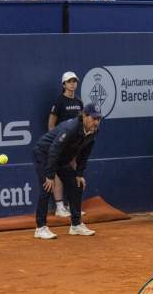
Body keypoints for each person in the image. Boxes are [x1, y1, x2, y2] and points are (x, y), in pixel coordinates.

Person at [32, 104, 102, 239]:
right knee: (47, 187)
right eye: (94, 118)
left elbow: (85, 153)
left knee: (77, 184)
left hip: (61, 158)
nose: (96, 122)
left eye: (99, 119)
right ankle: (40, 228)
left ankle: (76, 225)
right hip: (44, 153)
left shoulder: (94, 130)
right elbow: (54, 150)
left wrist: (79, 174)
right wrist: (50, 175)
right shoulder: (71, 128)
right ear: (84, 116)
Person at [48, 71, 84, 217]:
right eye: (69, 81)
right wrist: (57, 141)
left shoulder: (79, 102)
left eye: (74, 81)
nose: (72, 84)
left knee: (73, 172)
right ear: (64, 84)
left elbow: (82, 123)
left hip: (75, 144)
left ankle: (72, 206)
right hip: (61, 143)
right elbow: (51, 125)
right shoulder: (59, 101)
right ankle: (59, 207)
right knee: (59, 172)